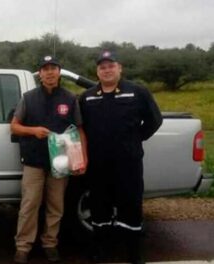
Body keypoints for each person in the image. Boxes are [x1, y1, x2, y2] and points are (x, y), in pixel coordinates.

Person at [79, 50, 163, 264]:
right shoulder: (87, 97)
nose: (107, 70)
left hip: (128, 163)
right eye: (102, 67)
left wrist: (135, 140)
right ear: (97, 71)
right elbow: (80, 128)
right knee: (99, 206)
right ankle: (100, 249)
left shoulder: (137, 92)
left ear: (120, 68)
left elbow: (155, 120)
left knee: (131, 206)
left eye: (111, 66)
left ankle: (134, 254)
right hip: (98, 164)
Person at [11, 55, 87, 264]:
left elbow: (79, 130)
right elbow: (14, 126)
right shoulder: (28, 97)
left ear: (59, 72)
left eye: (53, 68)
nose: (50, 72)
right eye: (45, 69)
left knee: (56, 206)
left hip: (60, 162)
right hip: (34, 161)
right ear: (40, 74)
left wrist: (81, 159)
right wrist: (32, 130)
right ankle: (23, 247)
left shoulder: (70, 99)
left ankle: (50, 244)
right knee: (29, 206)